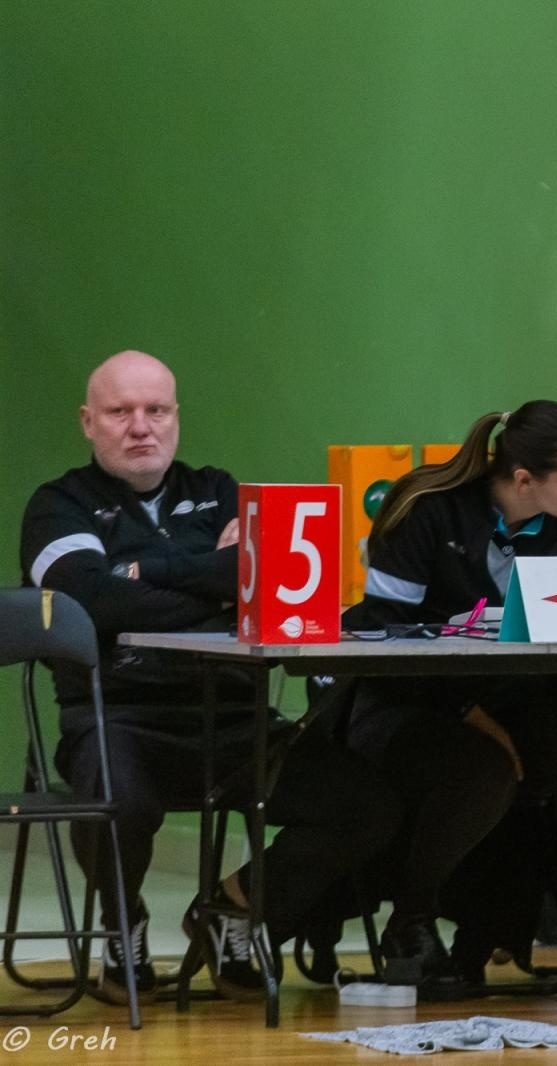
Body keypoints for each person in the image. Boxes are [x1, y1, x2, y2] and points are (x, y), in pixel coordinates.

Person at [18, 350, 404, 1004]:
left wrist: (145, 571)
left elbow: (272, 579)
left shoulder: (222, 490)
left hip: (235, 726)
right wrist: (216, 577)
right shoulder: (59, 506)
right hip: (120, 722)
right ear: (89, 421)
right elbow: (91, 600)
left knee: (368, 806)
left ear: (175, 418)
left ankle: (235, 907)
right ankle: (123, 924)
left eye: (157, 410)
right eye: (120, 412)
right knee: (119, 798)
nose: (141, 426)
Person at [339, 400, 557, 1010]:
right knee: (481, 765)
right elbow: (380, 637)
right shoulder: (428, 512)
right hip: (408, 704)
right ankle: (413, 920)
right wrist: (469, 711)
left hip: (512, 696)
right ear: (523, 480)